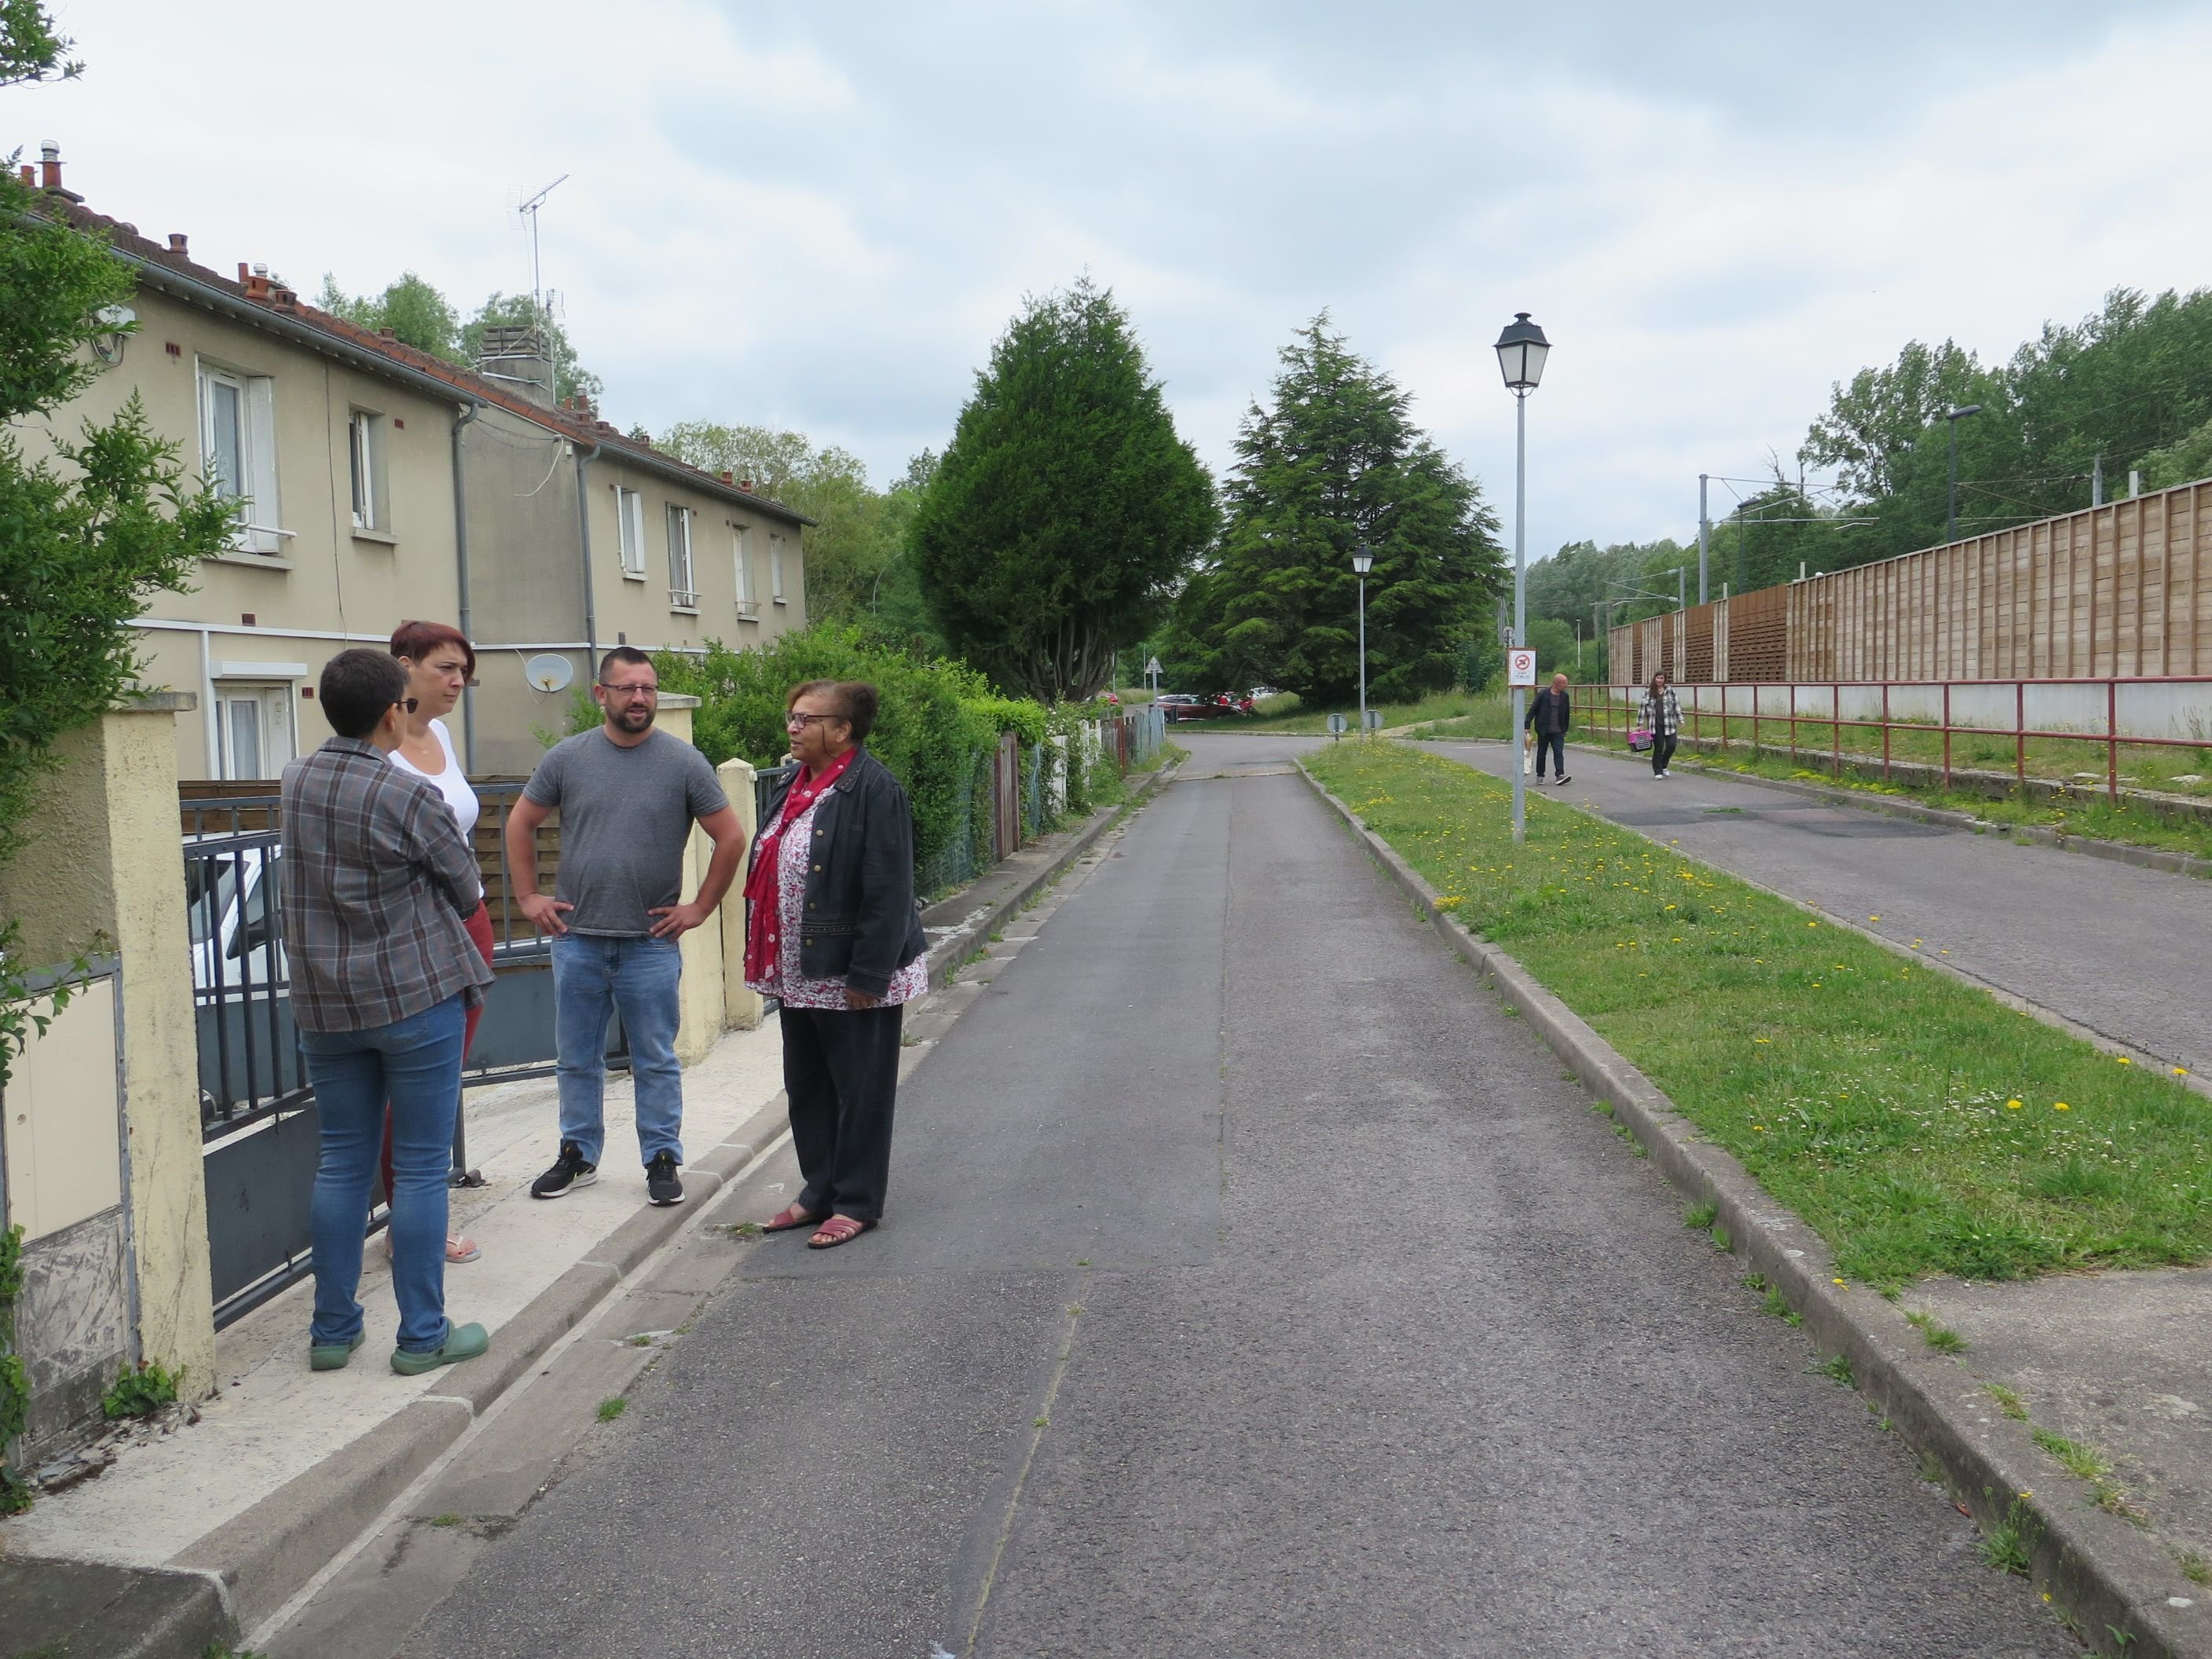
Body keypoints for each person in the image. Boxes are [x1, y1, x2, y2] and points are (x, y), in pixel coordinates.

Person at [281, 650, 493, 1375]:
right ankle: (423, 1337)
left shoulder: (294, 781)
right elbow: (467, 892)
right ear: (390, 714)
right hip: (413, 998)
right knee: (423, 1166)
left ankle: (333, 1332)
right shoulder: (410, 796)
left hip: (325, 1002)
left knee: (342, 1163)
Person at [504, 647, 748, 1207]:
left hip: (650, 944)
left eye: (648, 688)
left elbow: (731, 837)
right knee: (576, 1057)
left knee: (656, 1058)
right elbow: (520, 823)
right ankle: (578, 1155)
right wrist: (526, 895)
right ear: (601, 695)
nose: (639, 698)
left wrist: (700, 907)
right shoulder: (568, 758)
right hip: (578, 939)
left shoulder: (683, 762)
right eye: (627, 688)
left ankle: (662, 1158)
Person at [748, 680, 930, 1249]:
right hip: (799, 969)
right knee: (807, 1086)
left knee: (861, 1090)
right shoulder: (794, 786)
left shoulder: (875, 789)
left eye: (806, 719)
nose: (793, 728)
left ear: (843, 730)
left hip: (850, 971)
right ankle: (817, 1191)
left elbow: (889, 886)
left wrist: (868, 975)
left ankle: (856, 1201)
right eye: (792, 718)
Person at [379, 621, 493, 1265]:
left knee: (445, 1076)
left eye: (463, 672)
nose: (458, 682)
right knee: (418, 1078)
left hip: (469, 918)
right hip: (414, 930)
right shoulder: (380, 748)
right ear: (405, 668)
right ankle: (409, 1224)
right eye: (446, 668)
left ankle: (418, 1212)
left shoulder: (442, 734)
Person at [1524, 671, 1573, 786]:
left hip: (1558, 730)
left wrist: (1565, 729)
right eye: (1564, 683)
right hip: (1544, 730)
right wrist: (1527, 726)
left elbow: (1567, 713)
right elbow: (1533, 710)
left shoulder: (1565, 696)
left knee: (1558, 752)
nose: (1566, 686)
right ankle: (1540, 776)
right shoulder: (1543, 694)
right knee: (1542, 753)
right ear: (1557, 683)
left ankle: (1560, 775)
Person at [1639, 669, 1683, 778]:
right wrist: (1640, 723)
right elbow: (1642, 708)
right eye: (1658, 678)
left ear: (1665, 680)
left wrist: (1681, 719)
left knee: (1671, 746)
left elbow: (1676, 705)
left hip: (1670, 724)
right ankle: (1658, 771)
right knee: (1659, 747)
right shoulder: (1649, 692)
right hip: (1655, 725)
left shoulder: (1670, 691)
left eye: (1662, 678)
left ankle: (1664, 765)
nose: (1659, 680)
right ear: (1655, 679)